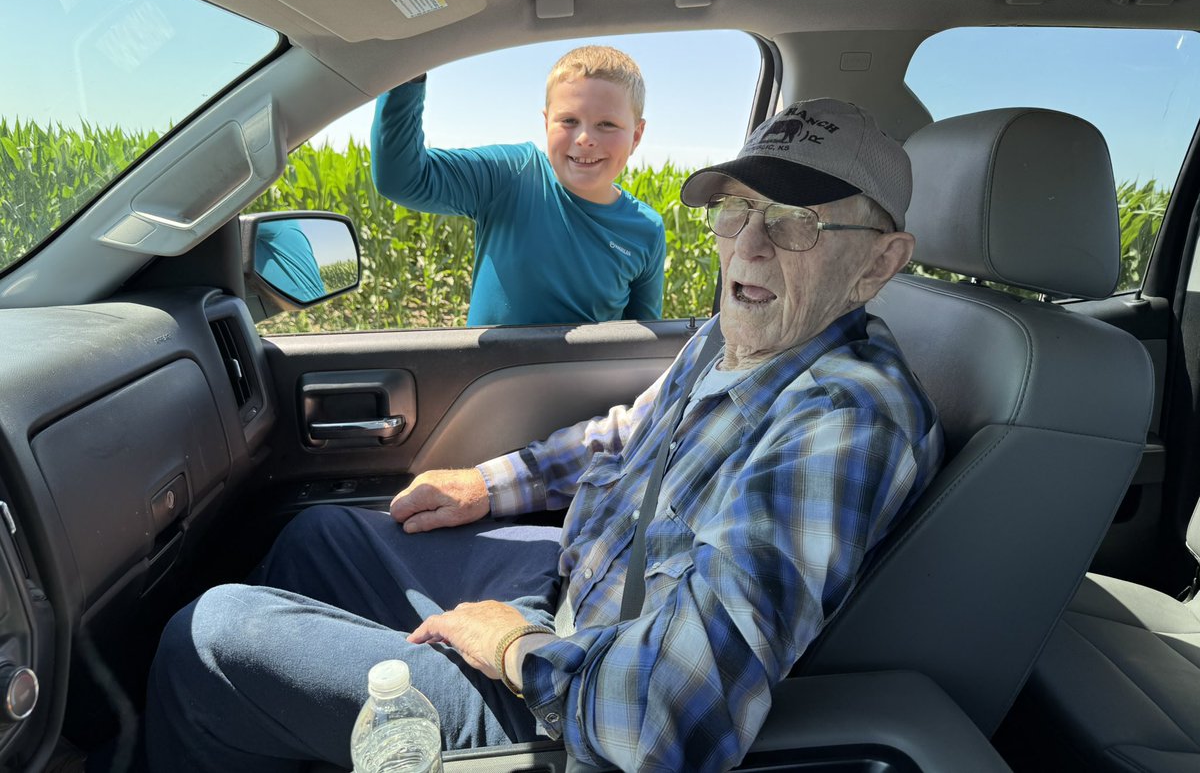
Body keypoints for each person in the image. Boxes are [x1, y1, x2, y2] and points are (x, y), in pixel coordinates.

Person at [145, 98, 944, 773]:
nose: (751, 245)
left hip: (576, 710)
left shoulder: (844, 420)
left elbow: (667, 714)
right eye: (737, 210)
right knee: (315, 538)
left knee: (210, 644)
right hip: (571, 589)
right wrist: (488, 485)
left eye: (797, 223)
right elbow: (626, 436)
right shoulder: (735, 337)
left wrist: (515, 649)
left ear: (879, 263)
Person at [370, 45, 666, 326]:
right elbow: (403, 179)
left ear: (636, 135)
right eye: (569, 120)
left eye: (607, 124)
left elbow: (642, 340)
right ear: (547, 123)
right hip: (491, 366)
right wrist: (408, 71)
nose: (584, 138)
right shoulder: (512, 174)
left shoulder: (646, 229)